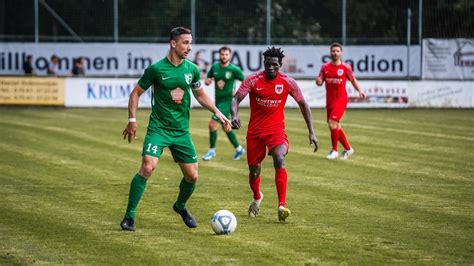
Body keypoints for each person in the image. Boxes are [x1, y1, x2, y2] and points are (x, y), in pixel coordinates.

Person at [120, 27, 231, 231]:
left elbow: (200, 95)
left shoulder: (192, 69)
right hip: (159, 129)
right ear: (173, 43)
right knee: (147, 167)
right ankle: (129, 217)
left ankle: (180, 206)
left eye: (190, 42)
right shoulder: (156, 69)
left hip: (181, 132)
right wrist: (132, 119)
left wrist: (218, 111)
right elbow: (135, 93)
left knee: (192, 176)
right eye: (185, 42)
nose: (189, 47)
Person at [231, 47, 318, 222]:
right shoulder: (253, 80)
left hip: (276, 131)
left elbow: (304, 105)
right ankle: (257, 196)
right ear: (264, 64)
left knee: (279, 157)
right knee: (254, 170)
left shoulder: (288, 82)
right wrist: (234, 115)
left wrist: (311, 132)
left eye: (275, 65)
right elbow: (236, 99)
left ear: (280, 66)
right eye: (268, 64)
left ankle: (281, 205)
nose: (271, 68)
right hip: (255, 132)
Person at [315, 42, 366, 160]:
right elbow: (320, 80)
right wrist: (318, 81)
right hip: (330, 100)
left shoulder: (345, 68)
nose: (335, 53)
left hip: (341, 99)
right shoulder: (325, 67)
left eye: (337, 51)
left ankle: (334, 150)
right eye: (333, 51)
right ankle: (348, 149)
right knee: (335, 126)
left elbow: (353, 80)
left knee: (332, 123)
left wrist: (360, 90)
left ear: (341, 53)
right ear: (330, 52)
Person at [202, 46, 246, 161]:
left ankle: (211, 151)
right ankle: (239, 148)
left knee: (212, 124)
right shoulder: (215, 67)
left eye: (226, 54)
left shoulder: (234, 69)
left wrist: (237, 91)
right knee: (226, 127)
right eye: (222, 54)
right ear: (219, 55)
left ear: (230, 56)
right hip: (218, 101)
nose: (224, 56)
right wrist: (208, 81)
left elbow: (245, 82)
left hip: (228, 102)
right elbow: (208, 79)